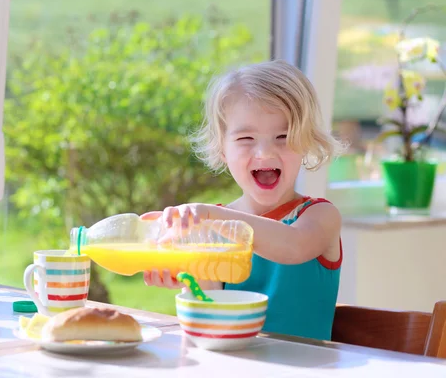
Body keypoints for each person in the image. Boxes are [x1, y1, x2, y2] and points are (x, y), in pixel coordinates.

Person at [140, 59, 346, 341]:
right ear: (222, 150)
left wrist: (213, 218)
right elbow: (207, 322)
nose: (264, 152)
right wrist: (186, 276)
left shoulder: (320, 217)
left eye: (283, 136)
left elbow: (292, 247)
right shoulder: (212, 229)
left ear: (305, 143)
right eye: (246, 137)